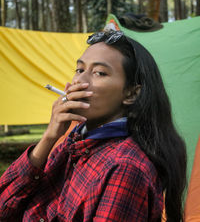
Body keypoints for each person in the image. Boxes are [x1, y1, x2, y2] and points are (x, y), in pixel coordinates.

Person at [0, 30, 187, 221]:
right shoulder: (75, 140)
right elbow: (4, 206)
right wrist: (49, 138)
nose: (79, 81)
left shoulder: (124, 169)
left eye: (99, 73)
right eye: (79, 70)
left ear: (131, 94)